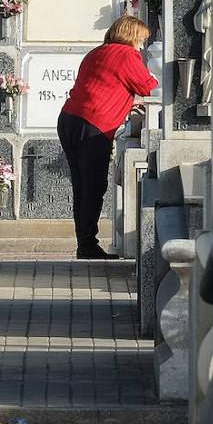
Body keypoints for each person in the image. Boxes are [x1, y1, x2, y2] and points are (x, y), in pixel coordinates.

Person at [58, 15, 160, 259]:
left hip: (70, 118)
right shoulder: (127, 55)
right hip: (95, 123)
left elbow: (107, 84)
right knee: (94, 185)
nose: (142, 46)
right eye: (141, 40)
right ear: (132, 36)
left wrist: (127, 101)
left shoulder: (96, 53)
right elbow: (149, 86)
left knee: (81, 185)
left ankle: (84, 243)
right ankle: (87, 246)